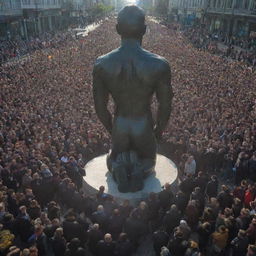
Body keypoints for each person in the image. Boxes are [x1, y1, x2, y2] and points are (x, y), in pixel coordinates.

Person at [93, 5, 173, 192]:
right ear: (144, 30)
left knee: (112, 157)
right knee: (149, 161)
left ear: (117, 29)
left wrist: (112, 129)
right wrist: (158, 132)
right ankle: (140, 170)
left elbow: (100, 106)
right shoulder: (159, 64)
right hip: (143, 124)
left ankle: (117, 167)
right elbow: (165, 105)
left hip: (120, 123)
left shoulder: (102, 63)